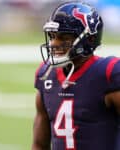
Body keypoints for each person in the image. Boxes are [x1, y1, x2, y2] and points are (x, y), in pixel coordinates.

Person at [32, 1, 120, 150]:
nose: (53, 43)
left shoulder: (107, 73)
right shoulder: (46, 75)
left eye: (63, 37)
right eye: (52, 36)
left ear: (89, 39)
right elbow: (39, 144)